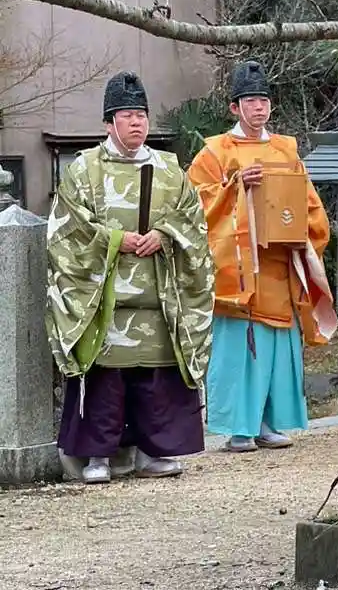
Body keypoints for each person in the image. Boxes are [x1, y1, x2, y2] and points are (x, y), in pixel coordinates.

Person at [46, 71, 214, 484]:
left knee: (155, 381)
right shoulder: (85, 169)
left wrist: (165, 234)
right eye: (126, 115)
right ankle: (99, 457)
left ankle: (152, 455)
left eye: (141, 115)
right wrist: (115, 239)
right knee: (105, 380)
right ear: (109, 123)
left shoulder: (170, 169)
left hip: (159, 296)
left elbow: (193, 220)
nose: (137, 123)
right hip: (104, 298)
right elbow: (69, 226)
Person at [188, 60, 335, 452]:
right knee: (241, 348)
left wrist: (301, 237)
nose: (259, 107)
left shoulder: (286, 149)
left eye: (264, 100)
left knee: (276, 349)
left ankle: (269, 422)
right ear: (234, 107)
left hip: (279, 265)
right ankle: (240, 427)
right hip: (238, 269)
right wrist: (235, 185)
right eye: (250, 101)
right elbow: (194, 203)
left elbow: (309, 204)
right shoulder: (215, 152)